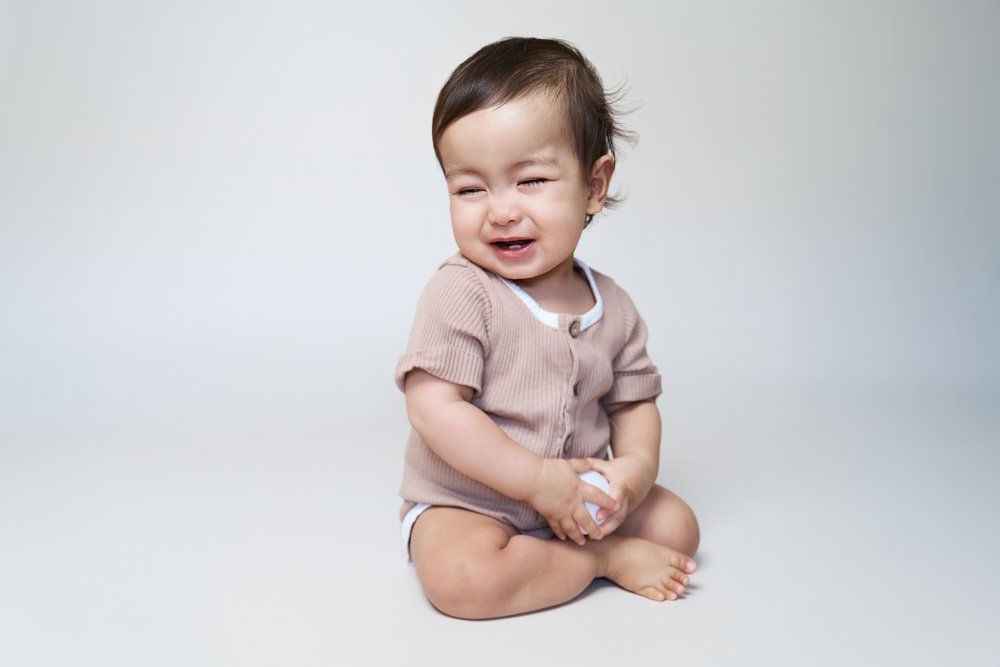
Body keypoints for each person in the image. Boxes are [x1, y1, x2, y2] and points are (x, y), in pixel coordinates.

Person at [395, 36, 700, 619]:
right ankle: (598, 560)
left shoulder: (613, 304)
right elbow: (433, 409)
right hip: (470, 501)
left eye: (530, 181)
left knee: (679, 529)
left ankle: (560, 553)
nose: (501, 210)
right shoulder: (461, 291)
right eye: (469, 188)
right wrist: (536, 481)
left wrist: (634, 471)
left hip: (577, 488)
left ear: (593, 185)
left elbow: (633, 405)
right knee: (463, 582)